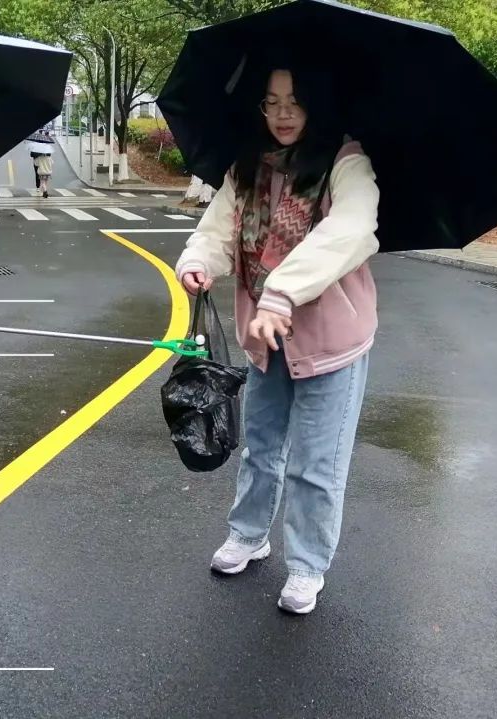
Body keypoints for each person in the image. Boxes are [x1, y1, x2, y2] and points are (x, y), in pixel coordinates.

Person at [175, 61, 379, 615]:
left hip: (332, 343)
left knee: (316, 464)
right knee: (261, 448)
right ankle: (248, 534)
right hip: (266, 340)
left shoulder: (346, 162)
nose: (283, 114)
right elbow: (218, 230)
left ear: (317, 105)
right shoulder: (247, 167)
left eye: (295, 102)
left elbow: (351, 230)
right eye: (272, 102)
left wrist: (282, 292)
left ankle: (308, 564)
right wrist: (198, 262)